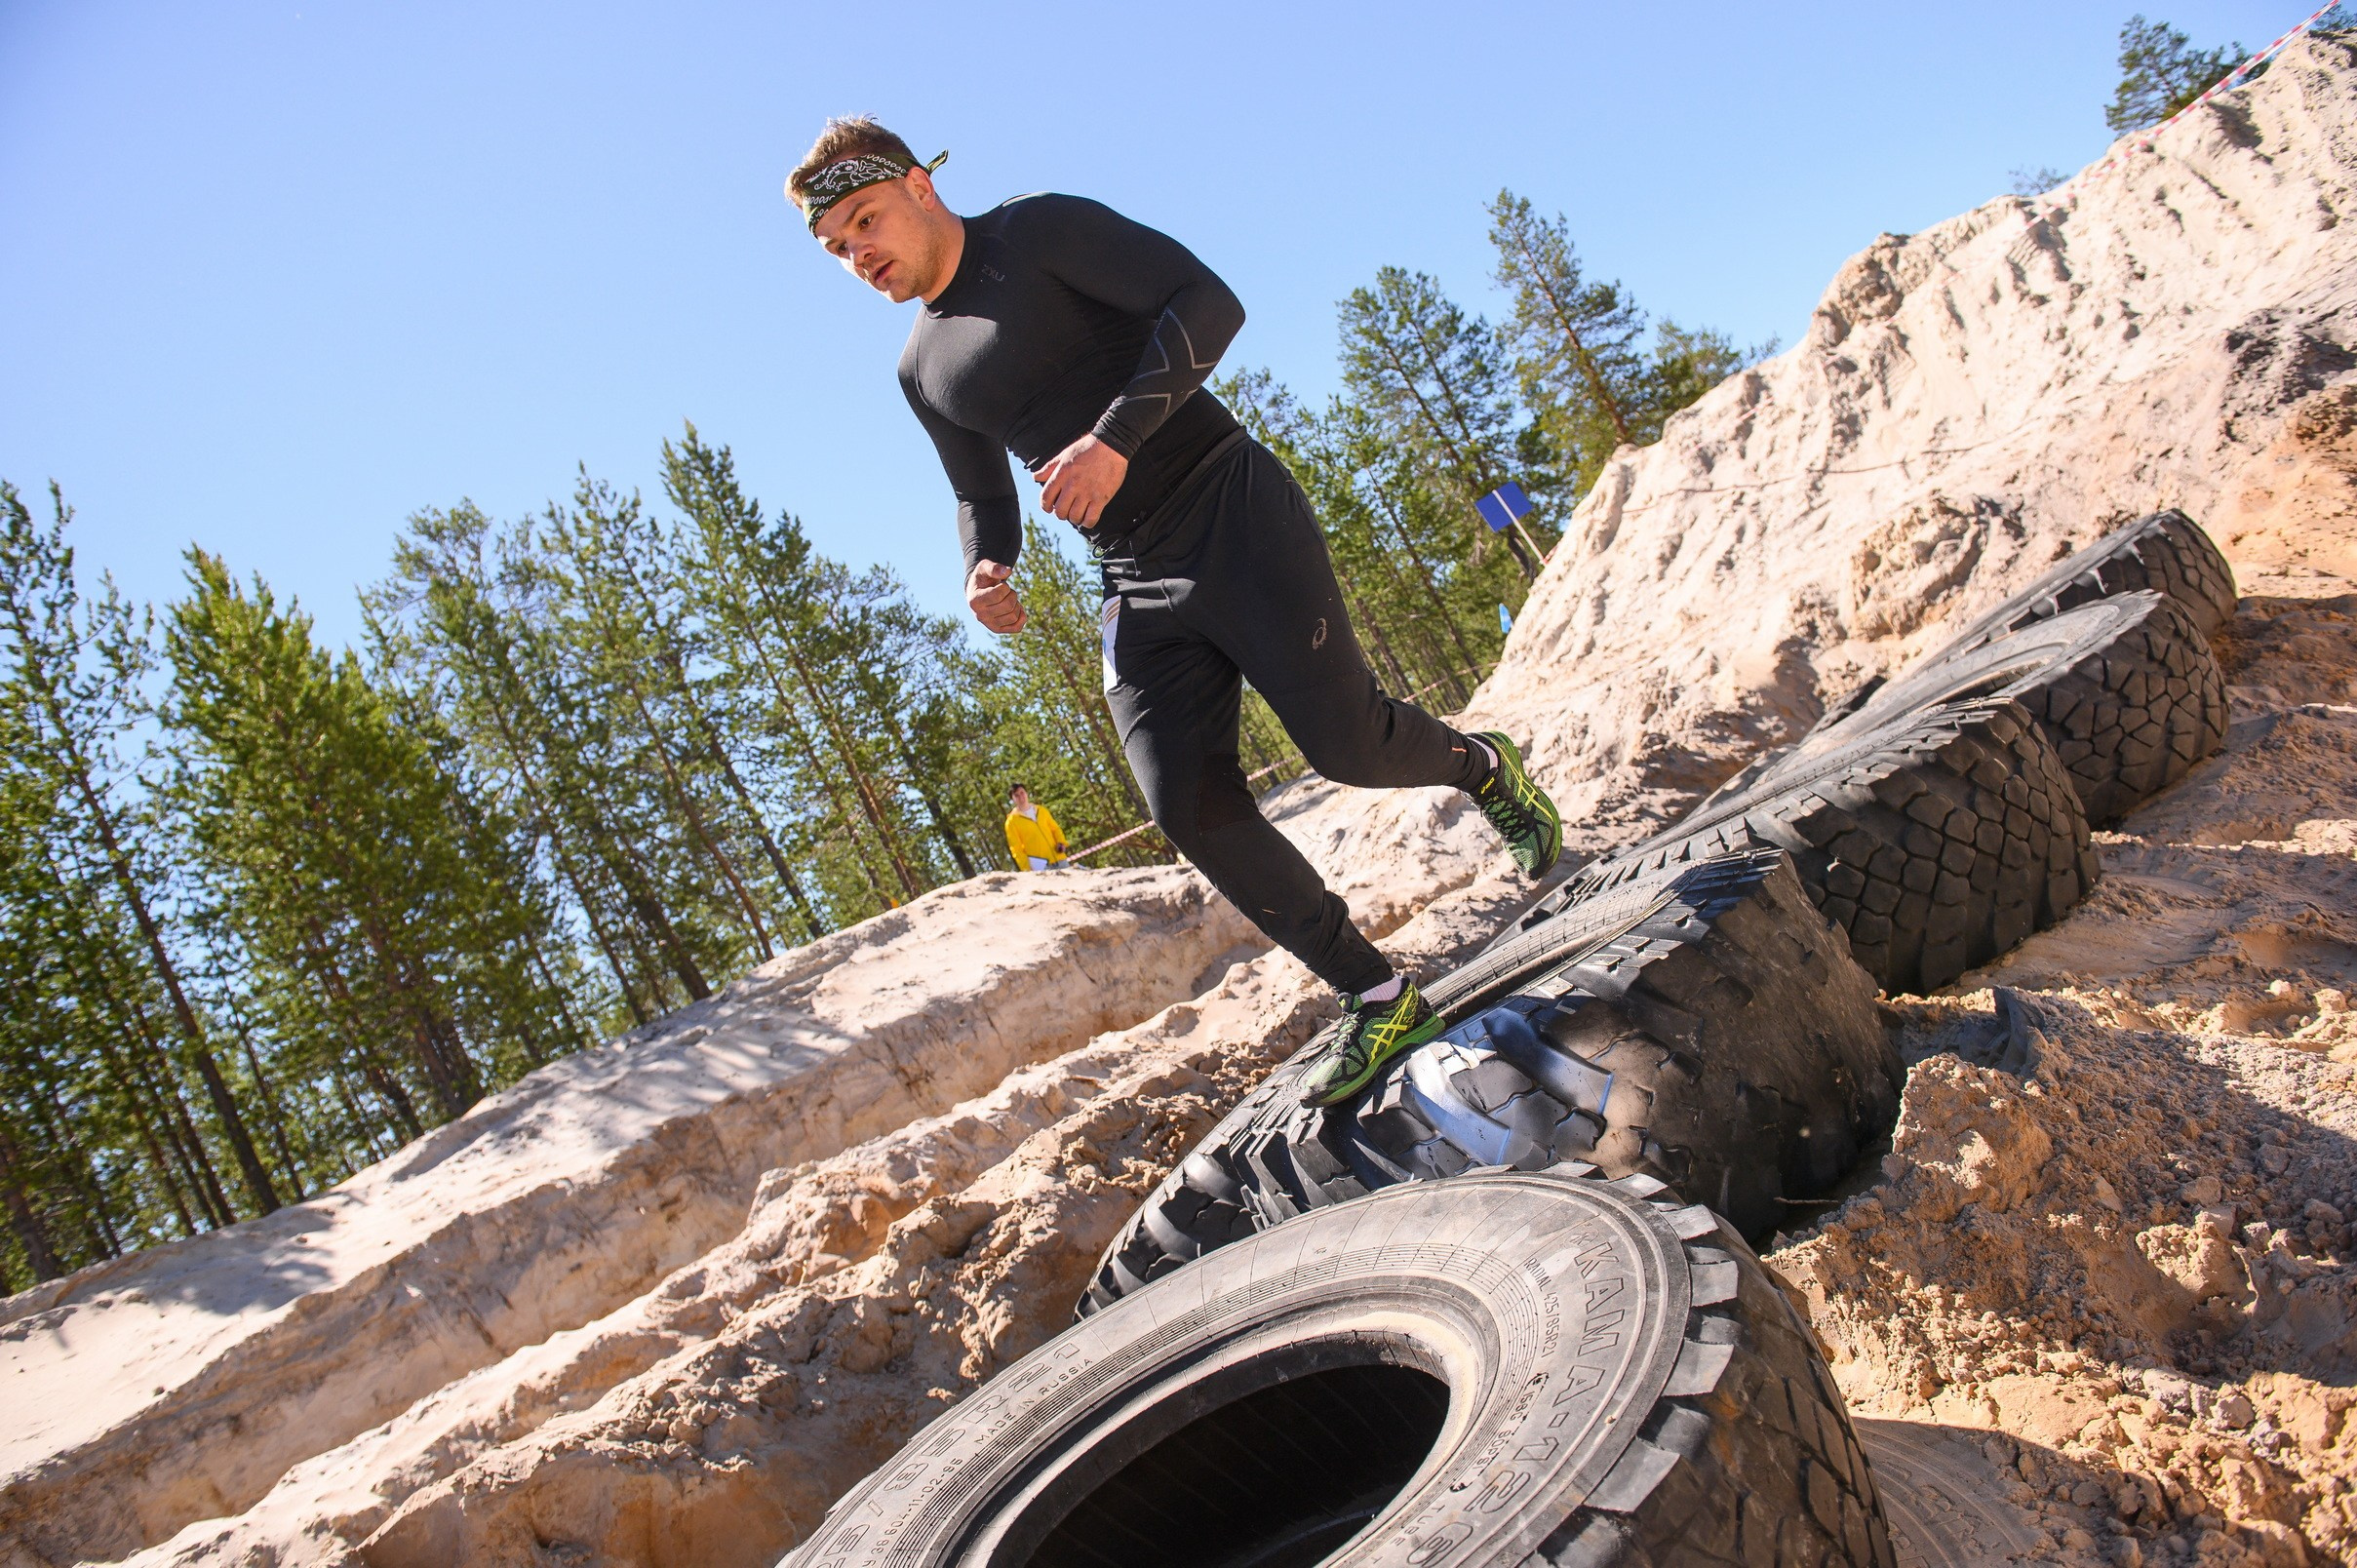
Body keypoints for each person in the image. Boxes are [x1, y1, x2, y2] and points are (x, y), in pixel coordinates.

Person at [787, 118, 1562, 1109]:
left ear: (918, 187)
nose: (857, 254)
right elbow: (981, 494)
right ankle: (1375, 993)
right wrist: (986, 566)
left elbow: (1209, 303)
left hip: (1230, 504)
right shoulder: (920, 371)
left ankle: (1483, 767)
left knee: (1348, 750)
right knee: (1182, 801)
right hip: (1132, 574)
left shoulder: (1037, 232)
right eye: (835, 247)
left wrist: (1111, 440)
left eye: (864, 220)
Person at [1004, 783, 1069, 871]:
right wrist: (1026, 867)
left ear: (1026, 793)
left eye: (1022, 792)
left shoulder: (1041, 810)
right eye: (1016, 795)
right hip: (1041, 867)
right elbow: (1016, 849)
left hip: (1060, 859)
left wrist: (1061, 842)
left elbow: (1055, 829)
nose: (1020, 797)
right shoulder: (1011, 822)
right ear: (1013, 799)